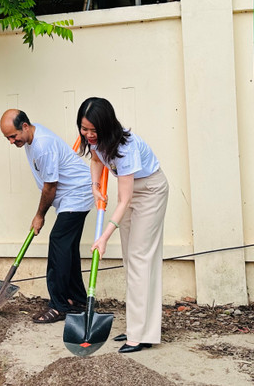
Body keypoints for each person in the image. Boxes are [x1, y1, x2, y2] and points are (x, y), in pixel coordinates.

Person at [76, 97, 169, 353]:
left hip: (150, 191)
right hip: (130, 193)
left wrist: (104, 237)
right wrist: (95, 187)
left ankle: (138, 335)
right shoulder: (95, 141)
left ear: (107, 125)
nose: (89, 135)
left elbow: (124, 199)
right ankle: (139, 329)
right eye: (84, 129)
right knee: (132, 259)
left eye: (94, 130)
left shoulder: (125, 147)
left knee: (140, 258)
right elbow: (96, 161)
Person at [0, 109, 94, 323]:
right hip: (73, 195)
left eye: (13, 136)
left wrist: (39, 215)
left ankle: (59, 306)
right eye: (8, 138)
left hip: (76, 194)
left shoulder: (42, 145)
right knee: (67, 248)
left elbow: (50, 186)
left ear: (25, 126)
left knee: (58, 243)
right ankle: (76, 299)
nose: (11, 141)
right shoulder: (31, 138)